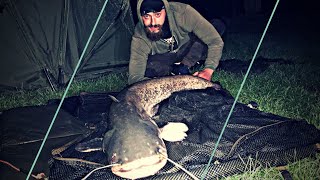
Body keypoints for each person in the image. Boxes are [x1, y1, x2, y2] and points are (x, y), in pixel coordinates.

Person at [128, 0, 224, 85]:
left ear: (165, 10)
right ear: (140, 17)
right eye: (146, 16)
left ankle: (185, 65)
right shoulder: (139, 36)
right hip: (164, 58)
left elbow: (215, 41)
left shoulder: (183, 13)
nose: (153, 22)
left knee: (217, 25)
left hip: (187, 47)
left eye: (157, 15)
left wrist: (208, 70)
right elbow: (135, 78)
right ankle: (175, 70)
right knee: (149, 72)